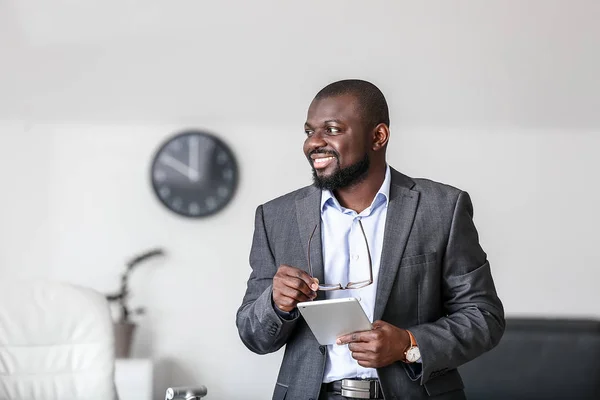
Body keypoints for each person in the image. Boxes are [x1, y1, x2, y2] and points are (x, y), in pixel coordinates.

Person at [236, 79, 505, 400]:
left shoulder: (442, 208)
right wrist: (275, 304)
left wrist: (408, 344)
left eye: (332, 129)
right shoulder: (275, 216)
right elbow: (253, 335)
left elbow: (483, 317)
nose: (313, 143)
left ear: (378, 136)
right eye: (309, 132)